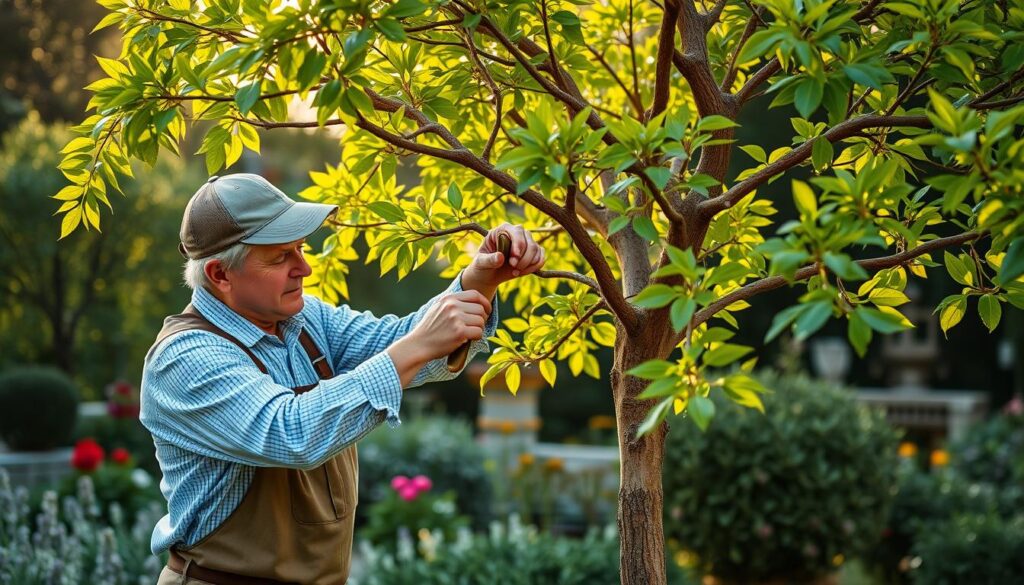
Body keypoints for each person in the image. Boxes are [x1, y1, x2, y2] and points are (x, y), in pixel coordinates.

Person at [140, 173, 546, 584]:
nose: (305, 268)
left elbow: (403, 342)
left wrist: (480, 280)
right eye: (281, 257)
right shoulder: (185, 357)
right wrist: (417, 345)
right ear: (219, 274)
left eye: (299, 248)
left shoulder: (304, 319)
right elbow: (290, 433)